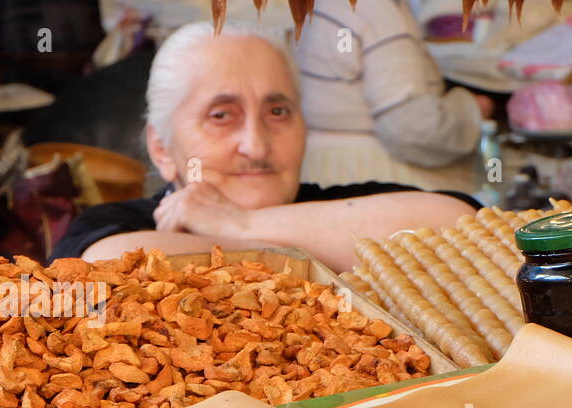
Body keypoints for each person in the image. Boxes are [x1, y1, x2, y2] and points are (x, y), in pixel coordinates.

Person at [51, 20, 480, 271]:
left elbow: (459, 225)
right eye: (221, 116)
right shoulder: (119, 223)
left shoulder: (343, 204)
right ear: (161, 148)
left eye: (278, 113)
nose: (256, 146)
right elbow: (110, 267)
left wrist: (240, 227)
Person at [296, 0, 494, 192]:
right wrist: (472, 110)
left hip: (322, 166)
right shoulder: (376, 11)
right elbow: (410, 129)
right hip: (371, 175)